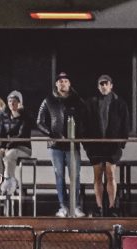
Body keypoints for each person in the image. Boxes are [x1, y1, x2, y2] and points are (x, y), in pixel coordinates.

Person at [37, 72, 86, 218]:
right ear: (56, 84)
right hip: (55, 145)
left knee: (75, 176)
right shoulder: (48, 100)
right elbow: (39, 121)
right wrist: (51, 134)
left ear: (69, 83)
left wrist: (79, 136)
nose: (63, 83)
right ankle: (63, 207)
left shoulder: (77, 100)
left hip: (72, 144)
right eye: (60, 81)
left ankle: (75, 207)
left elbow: (85, 119)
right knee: (59, 176)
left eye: (65, 81)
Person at [82, 74, 130, 217]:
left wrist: (121, 143)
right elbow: (84, 124)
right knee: (97, 175)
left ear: (111, 85)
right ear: (98, 86)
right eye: (101, 84)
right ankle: (98, 207)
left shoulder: (119, 103)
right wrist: (87, 144)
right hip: (95, 146)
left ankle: (111, 207)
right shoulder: (90, 103)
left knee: (110, 174)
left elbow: (125, 124)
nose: (104, 86)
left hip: (112, 145)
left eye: (106, 83)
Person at [0, 91, 33, 195]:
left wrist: (8, 146)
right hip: (7, 147)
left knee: (10, 155)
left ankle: (9, 180)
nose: (12, 104)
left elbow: (22, 135)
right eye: (10, 101)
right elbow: (0, 134)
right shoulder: (4, 117)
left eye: (14, 101)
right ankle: (1, 182)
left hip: (23, 148)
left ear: (19, 103)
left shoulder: (25, 118)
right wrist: (1, 146)